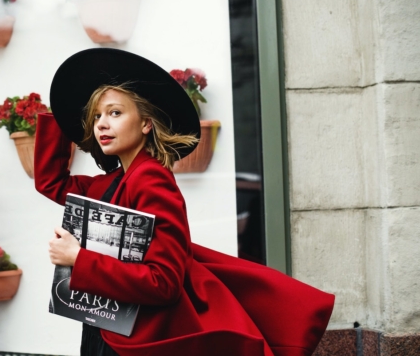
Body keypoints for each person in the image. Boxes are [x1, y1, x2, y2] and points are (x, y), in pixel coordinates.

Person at [34, 48, 334, 356]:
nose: (100, 124)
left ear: (146, 123)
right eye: (96, 116)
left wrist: (78, 258)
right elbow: (51, 183)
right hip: (104, 330)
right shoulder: (110, 183)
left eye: (115, 113)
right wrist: (62, 114)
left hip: (136, 342)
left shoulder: (151, 179)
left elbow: (163, 282)